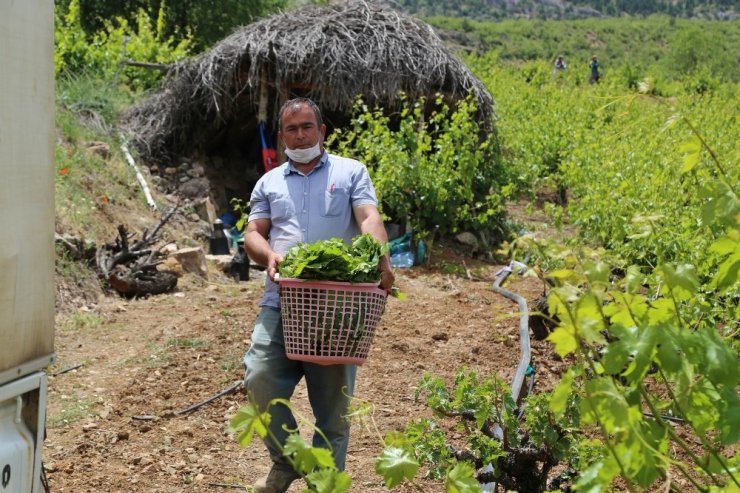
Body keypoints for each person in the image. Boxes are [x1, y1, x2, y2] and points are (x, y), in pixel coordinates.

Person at [242, 97, 394, 493]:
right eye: (291, 129)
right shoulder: (269, 182)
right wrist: (270, 255)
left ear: (322, 131)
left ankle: (324, 483)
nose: (300, 134)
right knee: (260, 378)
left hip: (336, 306)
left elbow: (368, 217)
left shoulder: (350, 172)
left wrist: (381, 256)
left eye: (307, 126)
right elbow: (253, 233)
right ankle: (287, 462)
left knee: (333, 410)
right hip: (282, 301)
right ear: (282, 136)